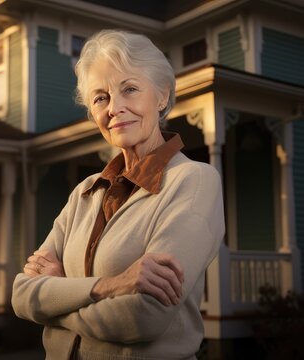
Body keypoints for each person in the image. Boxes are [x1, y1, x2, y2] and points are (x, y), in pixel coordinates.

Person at [11, 29, 225, 360]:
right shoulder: (85, 191)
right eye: (101, 97)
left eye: (130, 89)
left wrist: (56, 298)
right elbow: (22, 294)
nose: (115, 108)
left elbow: (144, 317)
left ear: (162, 96)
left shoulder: (194, 181)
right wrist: (110, 285)